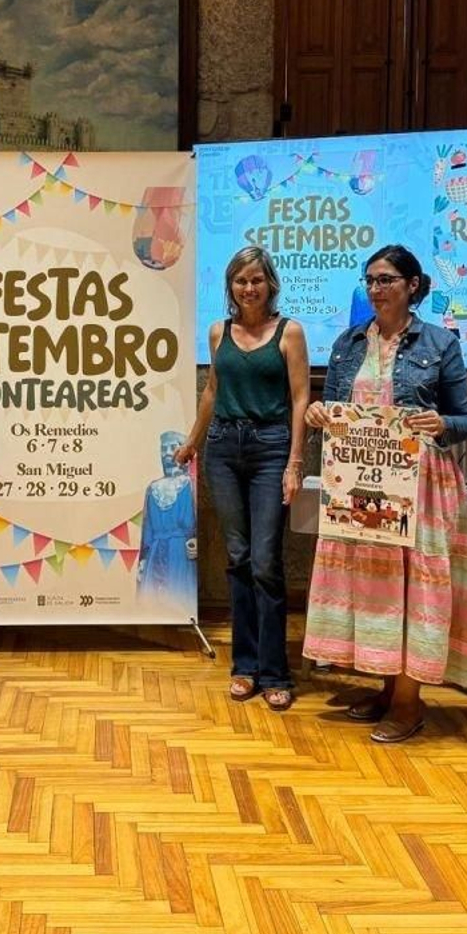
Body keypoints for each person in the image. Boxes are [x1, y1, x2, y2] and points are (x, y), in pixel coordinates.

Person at [302, 244, 467, 742]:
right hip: (361, 486)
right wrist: (318, 415)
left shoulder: (440, 343)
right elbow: (335, 410)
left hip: (419, 490)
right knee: (377, 590)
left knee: (413, 588)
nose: (377, 289)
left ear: (413, 286)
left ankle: (408, 701)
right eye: (371, 281)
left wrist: (440, 422)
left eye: (387, 280)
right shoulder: (347, 344)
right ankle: (386, 688)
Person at [178, 247, 309, 710]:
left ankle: (276, 670)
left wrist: (295, 463)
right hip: (223, 450)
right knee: (236, 557)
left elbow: (299, 400)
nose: (248, 288)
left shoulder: (289, 332)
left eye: (256, 280)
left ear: (270, 283)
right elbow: (213, 389)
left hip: (272, 448)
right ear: (230, 286)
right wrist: (193, 442)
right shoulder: (219, 332)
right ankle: (245, 665)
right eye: (240, 281)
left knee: (265, 562)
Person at [138, 431, 198, 608]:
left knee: (179, 594)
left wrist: (194, 540)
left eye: (172, 447)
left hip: (180, 550)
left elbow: (193, 521)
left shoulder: (190, 484)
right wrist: (144, 559)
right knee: (152, 599)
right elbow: (148, 528)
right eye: (163, 448)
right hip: (155, 551)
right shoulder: (152, 488)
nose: (167, 452)